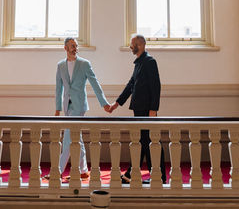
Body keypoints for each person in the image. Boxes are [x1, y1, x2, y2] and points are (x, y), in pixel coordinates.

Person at [104, 34, 166, 184]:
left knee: (151, 141)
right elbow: (131, 85)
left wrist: (153, 109)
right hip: (138, 110)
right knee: (142, 141)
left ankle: (159, 176)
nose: (131, 47)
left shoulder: (150, 62)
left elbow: (156, 87)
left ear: (141, 45)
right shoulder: (139, 63)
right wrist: (116, 104)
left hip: (147, 111)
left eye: (133, 44)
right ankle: (133, 173)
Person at [50, 37, 110, 181]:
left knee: (68, 138)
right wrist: (58, 108)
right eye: (72, 45)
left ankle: (57, 171)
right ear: (65, 48)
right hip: (67, 106)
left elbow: (95, 84)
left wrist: (104, 103)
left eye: (76, 45)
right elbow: (59, 88)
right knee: (77, 137)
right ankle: (83, 170)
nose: (75, 48)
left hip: (79, 106)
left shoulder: (84, 64)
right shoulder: (60, 65)